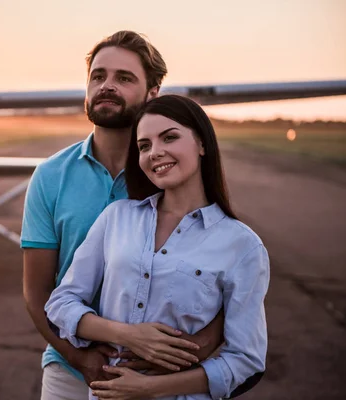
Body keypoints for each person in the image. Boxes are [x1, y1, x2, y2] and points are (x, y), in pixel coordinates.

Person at [22, 31, 231, 400]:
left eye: (124, 78)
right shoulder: (50, 175)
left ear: (153, 94)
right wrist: (78, 356)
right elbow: (37, 290)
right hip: (68, 368)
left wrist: (183, 357)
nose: (107, 86)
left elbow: (223, 282)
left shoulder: (173, 173)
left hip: (158, 373)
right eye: (98, 76)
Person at [44, 94, 270, 400]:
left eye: (170, 138)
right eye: (144, 145)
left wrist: (149, 388)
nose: (155, 153)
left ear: (202, 144)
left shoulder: (243, 246)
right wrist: (128, 335)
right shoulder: (116, 218)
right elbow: (61, 303)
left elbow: (245, 360)